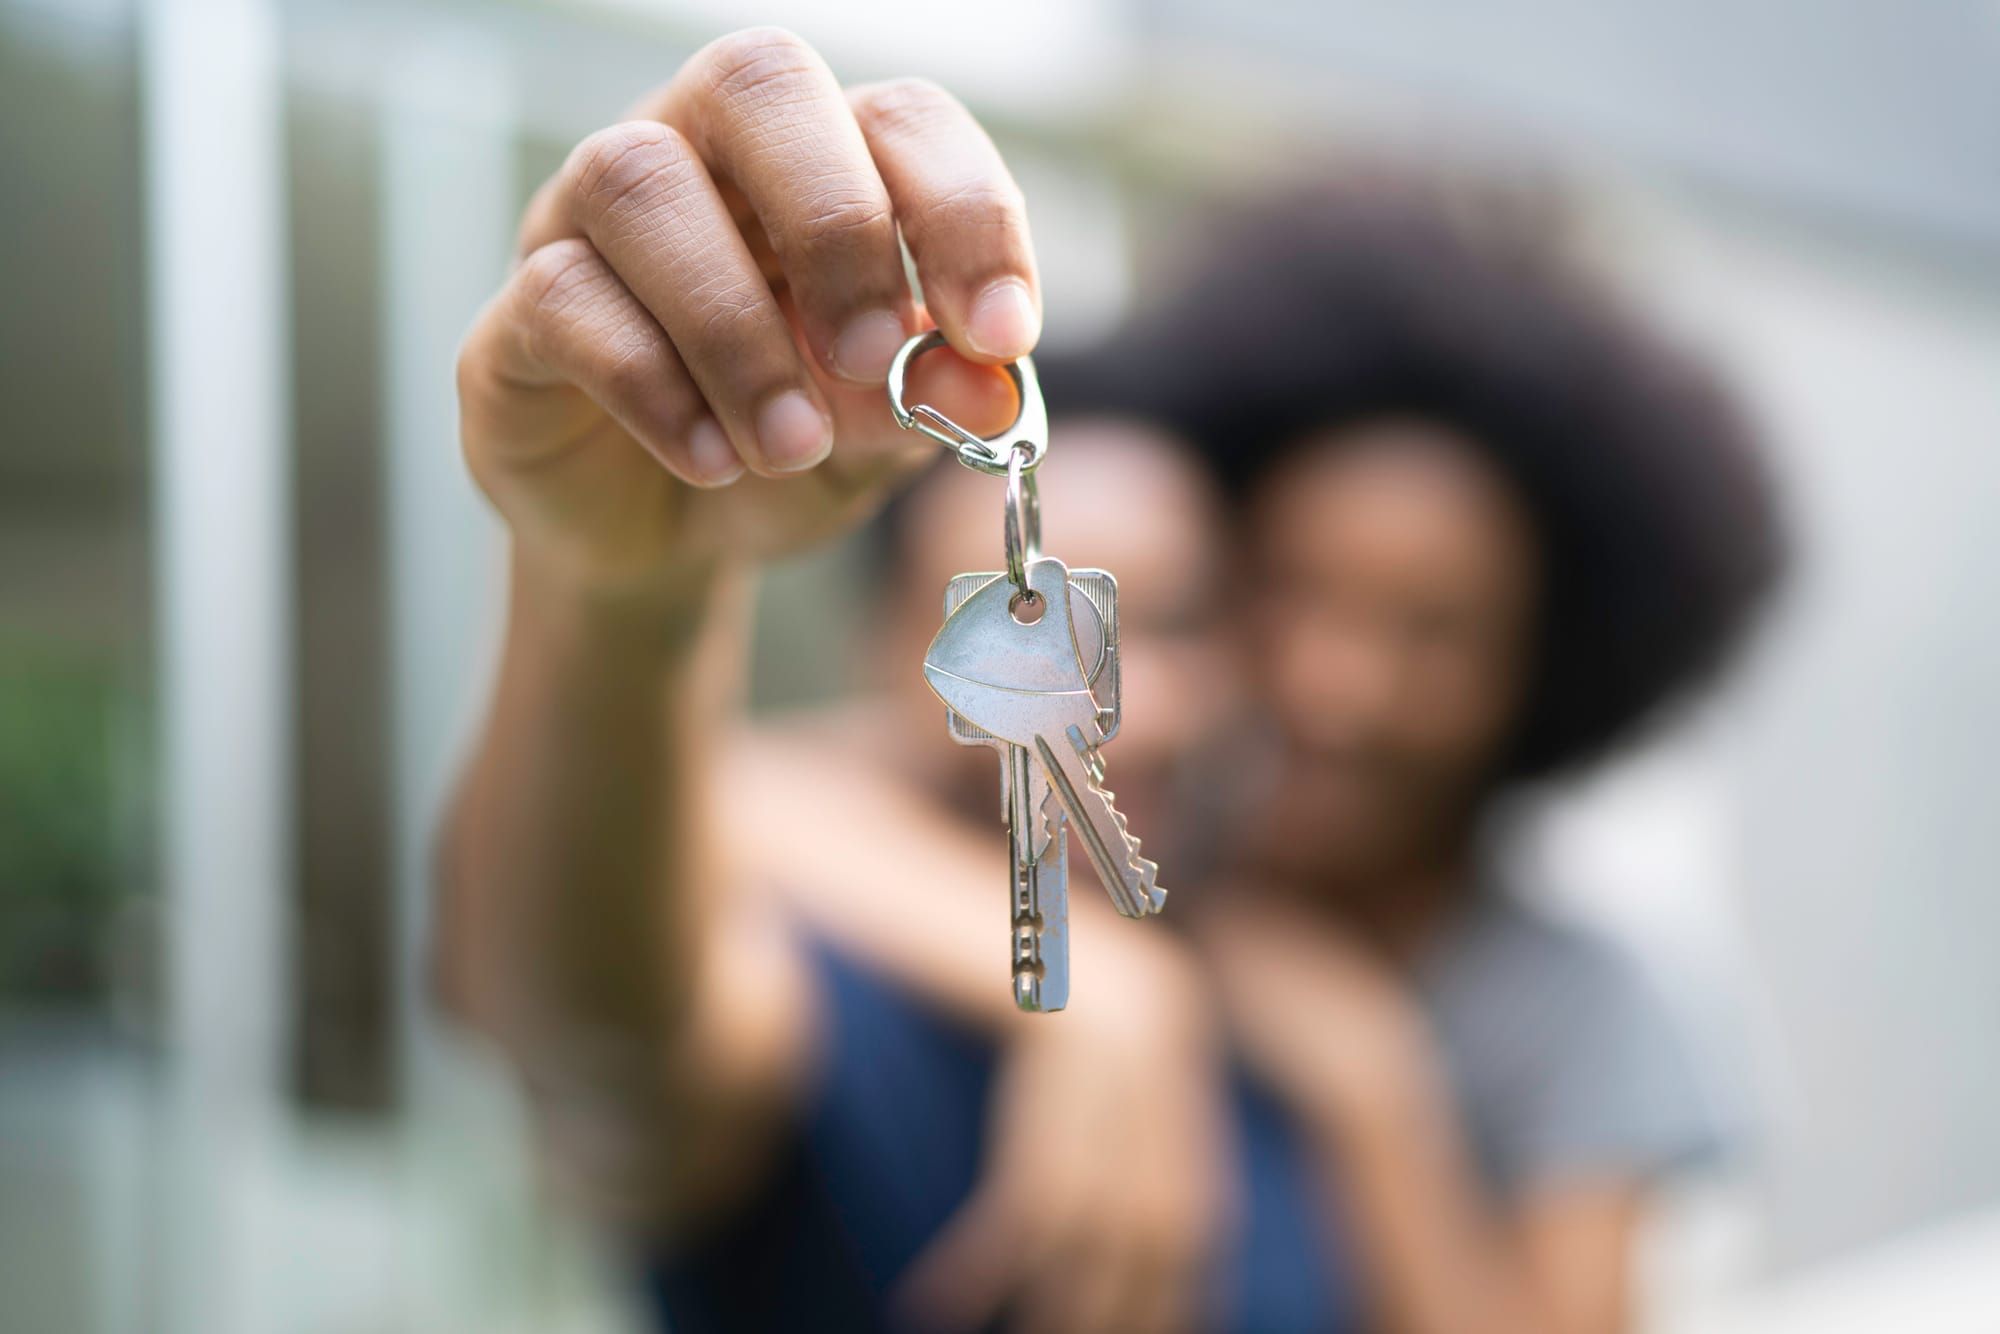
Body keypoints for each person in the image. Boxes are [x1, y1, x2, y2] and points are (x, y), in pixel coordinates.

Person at [438, 28, 1782, 1334]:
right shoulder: (837, 1001)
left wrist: (1358, 1075)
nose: (1337, 686)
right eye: (1035, 624)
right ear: (896, 671)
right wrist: (624, 596)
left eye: (1178, 620)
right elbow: (607, 1010)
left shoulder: (1400, 1009)